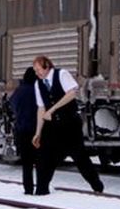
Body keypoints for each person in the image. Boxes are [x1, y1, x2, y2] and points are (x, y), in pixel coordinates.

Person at [31, 55, 103, 195]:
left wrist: (53, 109)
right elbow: (41, 108)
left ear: (47, 66)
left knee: (80, 157)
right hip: (52, 126)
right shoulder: (38, 84)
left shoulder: (62, 74)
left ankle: (97, 186)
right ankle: (41, 190)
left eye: (38, 69)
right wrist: (38, 132)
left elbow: (72, 93)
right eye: (35, 71)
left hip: (70, 124)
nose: (37, 73)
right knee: (45, 157)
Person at [9, 67, 39, 194]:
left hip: (22, 130)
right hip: (38, 131)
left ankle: (28, 189)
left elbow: (12, 105)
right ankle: (41, 187)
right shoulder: (39, 91)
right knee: (40, 162)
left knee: (26, 163)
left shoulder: (18, 92)